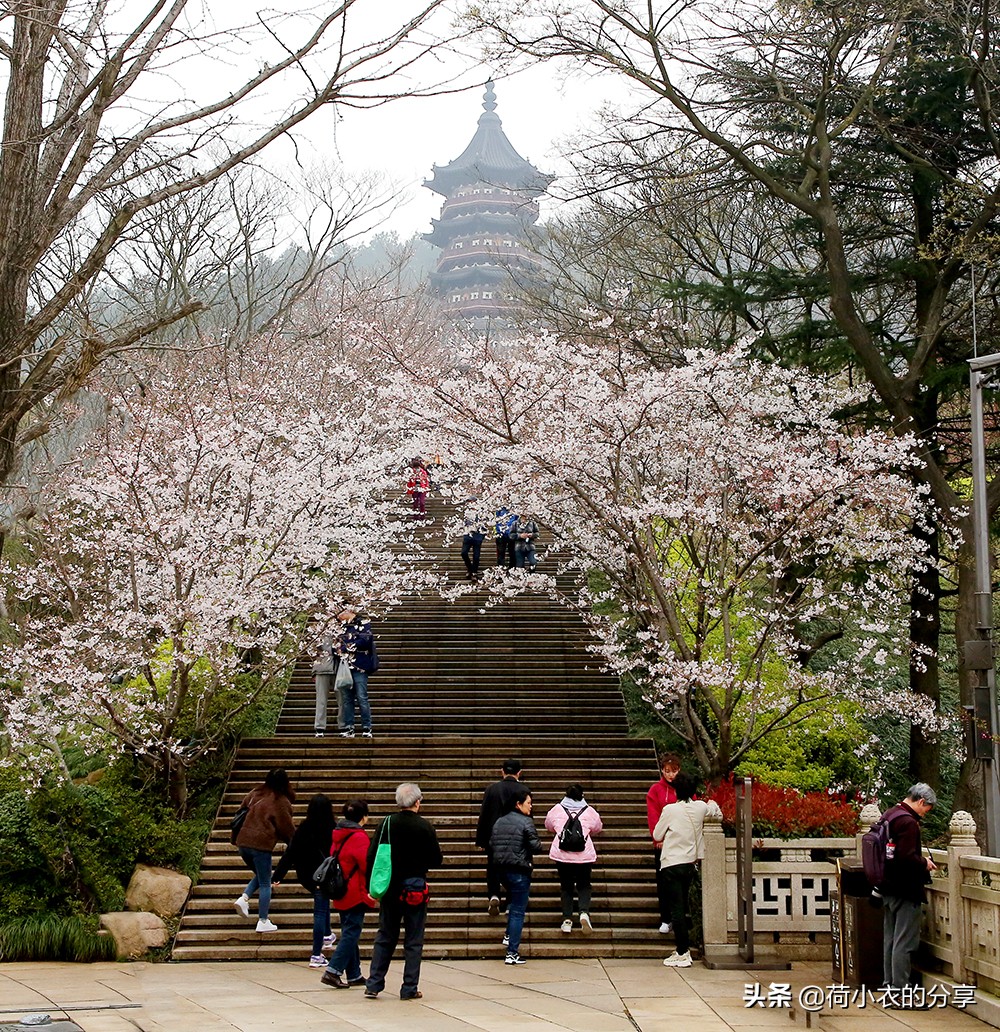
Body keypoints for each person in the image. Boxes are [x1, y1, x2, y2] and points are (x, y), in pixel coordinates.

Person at [364, 783, 443, 1001]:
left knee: (385, 936)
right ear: (417, 802)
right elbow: (436, 860)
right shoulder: (425, 827)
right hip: (415, 887)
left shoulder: (387, 823)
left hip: (389, 888)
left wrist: (370, 886)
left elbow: (372, 855)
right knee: (414, 939)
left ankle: (374, 983)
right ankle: (409, 987)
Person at [653, 772, 721, 968]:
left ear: (676, 790)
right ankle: (682, 949)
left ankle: (683, 952)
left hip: (672, 863)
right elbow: (714, 810)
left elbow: (657, 834)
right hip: (690, 864)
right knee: (682, 906)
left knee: (676, 909)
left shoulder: (670, 809)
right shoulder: (700, 807)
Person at [878, 783, 938, 995]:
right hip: (906, 889)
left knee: (891, 939)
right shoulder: (908, 822)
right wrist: (924, 863)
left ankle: (889, 984)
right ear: (921, 801)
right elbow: (906, 857)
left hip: (887, 886)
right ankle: (900, 990)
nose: (925, 814)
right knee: (904, 942)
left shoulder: (890, 814)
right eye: (926, 809)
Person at [272, 794, 337, 966]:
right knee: (320, 911)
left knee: (322, 904)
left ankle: (327, 935)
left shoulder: (304, 828)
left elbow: (290, 853)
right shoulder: (333, 828)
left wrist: (278, 875)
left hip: (307, 875)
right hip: (325, 875)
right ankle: (316, 954)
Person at [320, 798, 377, 989]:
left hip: (341, 889)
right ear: (364, 817)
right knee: (352, 933)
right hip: (354, 891)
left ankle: (354, 974)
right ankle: (333, 970)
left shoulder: (339, 834)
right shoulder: (359, 837)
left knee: (348, 931)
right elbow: (366, 865)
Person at [233, 767, 296, 933]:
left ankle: (244, 898)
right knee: (266, 882)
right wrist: (295, 843)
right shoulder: (280, 801)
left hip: (243, 843)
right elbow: (287, 829)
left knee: (263, 876)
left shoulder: (255, 793)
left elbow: (240, 811)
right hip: (260, 845)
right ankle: (263, 920)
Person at [490, 786, 543, 965]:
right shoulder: (526, 822)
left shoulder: (499, 821)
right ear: (518, 804)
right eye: (528, 803)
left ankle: (508, 935)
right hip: (519, 869)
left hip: (501, 869)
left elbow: (492, 843)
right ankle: (512, 952)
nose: (531, 807)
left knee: (513, 904)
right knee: (518, 911)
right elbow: (536, 846)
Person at [544, 783, 603, 934]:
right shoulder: (589, 811)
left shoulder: (557, 809)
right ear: (582, 795)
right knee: (584, 884)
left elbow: (548, 825)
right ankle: (583, 912)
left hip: (562, 854)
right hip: (584, 855)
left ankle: (567, 920)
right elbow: (598, 828)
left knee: (566, 886)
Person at [475, 758, 526, 916]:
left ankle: (494, 894)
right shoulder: (524, 790)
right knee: (514, 868)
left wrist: (481, 839)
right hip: (517, 837)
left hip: (494, 837)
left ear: (502, 771)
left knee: (492, 866)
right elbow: (528, 814)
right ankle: (510, 901)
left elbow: (484, 814)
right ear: (519, 772)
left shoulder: (492, 789)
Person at [646, 753, 681, 933]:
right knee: (663, 882)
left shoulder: (683, 788)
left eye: (674, 771)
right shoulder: (656, 790)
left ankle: (678, 918)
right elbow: (653, 816)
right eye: (667, 771)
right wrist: (657, 838)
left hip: (680, 843)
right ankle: (666, 918)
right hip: (662, 844)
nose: (670, 775)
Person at [335, 608, 379, 739]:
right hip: (345, 665)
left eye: (340, 613)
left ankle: (366, 726)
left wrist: (347, 646)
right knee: (347, 699)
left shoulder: (363, 623)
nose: (339, 617)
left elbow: (366, 640)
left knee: (361, 696)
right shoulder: (340, 627)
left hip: (360, 666)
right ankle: (349, 727)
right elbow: (335, 644)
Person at [311, 632, 341, 737]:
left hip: (339, 669)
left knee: (342, 700)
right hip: (322, 669)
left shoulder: (343, 629)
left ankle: (343, 726)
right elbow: (313, 652)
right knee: (321, 700)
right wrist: (314, 672)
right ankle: (319, 727)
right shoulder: (319, 631)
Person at [461, 498, 489, 579]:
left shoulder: (481, 513)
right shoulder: (466, 512)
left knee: (476, 556)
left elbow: (485, 526)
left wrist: (482, 536)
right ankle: (470, 568)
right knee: (464, 553)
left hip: (477, 536)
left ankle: (474, 572)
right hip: (468, 536)